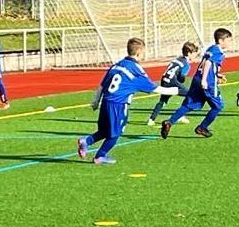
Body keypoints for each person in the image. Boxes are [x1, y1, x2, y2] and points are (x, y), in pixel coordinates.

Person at [77, 37, 180, 165]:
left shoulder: (116, 65)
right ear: (139, 52)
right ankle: (100, 156)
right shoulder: (136, 70)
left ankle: (86, 141)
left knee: (105, 131)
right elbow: (154, 88)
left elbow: (102, 85)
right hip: (119, 104)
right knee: (116, 133)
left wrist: (96, 101)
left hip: (106, 102)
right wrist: (175, 91)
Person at [161, 28, 232, 139]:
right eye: (228, 40)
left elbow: (207, 65)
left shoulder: (210, 49)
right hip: (208, 82)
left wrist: (217, 75)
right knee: (218, 106)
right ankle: (202, 127)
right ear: (221, 40)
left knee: (189, 104)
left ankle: (169, 122)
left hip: (197, 79)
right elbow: (208, 63)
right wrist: (205, 80)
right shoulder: (219, 52)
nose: (229, 43)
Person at [147, 41, 199, 126]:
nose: (196, 55)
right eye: (194, 53)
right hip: (172, 82)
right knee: (190, 95)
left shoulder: (176, 59)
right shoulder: (186, 64)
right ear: (189, 53)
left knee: (163, 100)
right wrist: (181, 82)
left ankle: (151, 119)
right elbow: (181, 77)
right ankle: (180, 115)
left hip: (164, 80)